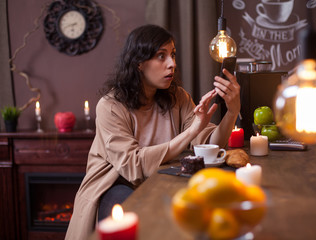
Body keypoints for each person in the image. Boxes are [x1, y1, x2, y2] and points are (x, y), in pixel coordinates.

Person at [65, 24, 240, 239]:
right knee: (141, 216)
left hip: (161, 181)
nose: (172, 64)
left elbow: (210, 144)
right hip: (114, 185)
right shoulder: (110, 106)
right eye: (161, 56)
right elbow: (134, 167)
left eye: (173, 55)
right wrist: (192, 131)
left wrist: (232, 111)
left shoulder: (178, 97)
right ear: (139, 63)